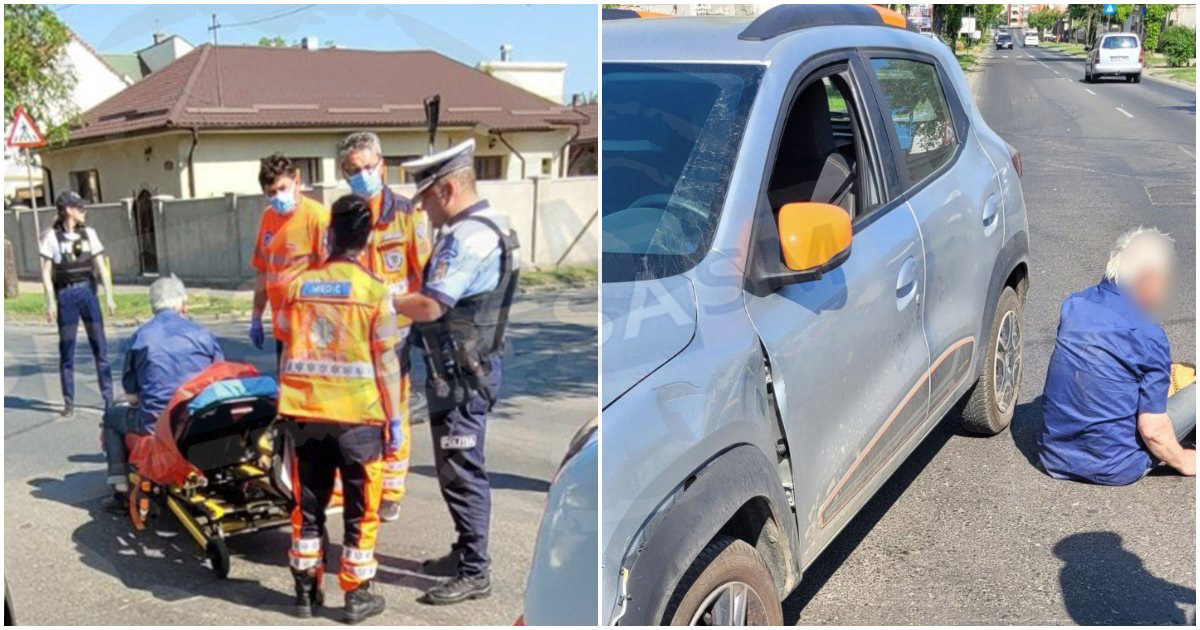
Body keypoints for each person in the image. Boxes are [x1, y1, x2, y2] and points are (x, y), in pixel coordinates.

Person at [394, 138, 520, 605]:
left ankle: (475, 571)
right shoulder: (488, 224)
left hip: (463, 376)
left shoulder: (469, 238)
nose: (423, 210)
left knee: (463, 471)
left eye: (425, 199)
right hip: (461, 370)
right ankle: (465, 550)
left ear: (446, 189)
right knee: (453, 470)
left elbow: (430, 304)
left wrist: (386, 299)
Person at [277, 194, 399, 623]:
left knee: (307, 506)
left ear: (329, 235)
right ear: (366, 242)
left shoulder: (296, 287)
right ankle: (356, 596)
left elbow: (283, 342)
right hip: (358, 421)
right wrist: (395, 419)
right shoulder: (374, 293)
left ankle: (305, 592)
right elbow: (386, 363)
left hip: (304, 415)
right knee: (360, 510)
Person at [1040, 227, 1196, 485]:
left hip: (1054, 458)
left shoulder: (1074, 305)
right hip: (1116, 466)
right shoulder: (1148, 335)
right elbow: (1152, 429)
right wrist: (1184, 460)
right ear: (1149, 278)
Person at [337, 131, 433, 522]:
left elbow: (424, 275)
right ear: (344, 173)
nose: (363, 175)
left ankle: (391, 488)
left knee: (395, 412)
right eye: (354, 170)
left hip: (396, 333)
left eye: (368, 167)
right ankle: (357, 482)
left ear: (383, 164)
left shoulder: (409, 214)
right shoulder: (342, 216)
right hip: (354, 335)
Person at [100, 275, 224, 511]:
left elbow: (132, 390)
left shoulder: (141, 337)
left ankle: (120, 492)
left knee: (111, 417)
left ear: (152, 306)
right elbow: (220, 374)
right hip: (201, 419)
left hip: (157, 424)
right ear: (183, 304)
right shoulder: (202, 334)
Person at [39, 191, 117, 419]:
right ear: (68, 210)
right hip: (66, 296)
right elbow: (45, 272)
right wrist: (50, 302)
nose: (84, 211)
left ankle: (108, 398)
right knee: (67, 351)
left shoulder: (89, 234)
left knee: (100, 348)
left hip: (88, 293)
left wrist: (109, 296)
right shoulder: (51, 238)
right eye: (79, 207)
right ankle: (69, 401)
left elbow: (101, 267)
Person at [249, 154, 330, 366]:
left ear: (297, 181)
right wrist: (256, 317)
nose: (277, 197)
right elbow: (263, 270)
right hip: (282, 327)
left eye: (282, 189)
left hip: (311, 326)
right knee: (286, 391)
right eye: (271, 193)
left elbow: (332, 273)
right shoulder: (268, 218)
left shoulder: (317, 217)